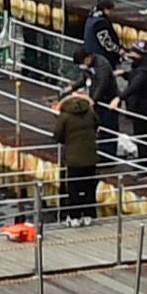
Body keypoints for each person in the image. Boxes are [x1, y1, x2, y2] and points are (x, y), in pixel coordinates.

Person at [52, 79, 101, 224]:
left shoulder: (65, 117)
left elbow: (57, 135)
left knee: (74, 188)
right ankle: (89, 215)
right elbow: (97, 125)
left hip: (74, 158)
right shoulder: (90, 112)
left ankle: (74, 217)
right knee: (89, 187)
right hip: (91, 156)